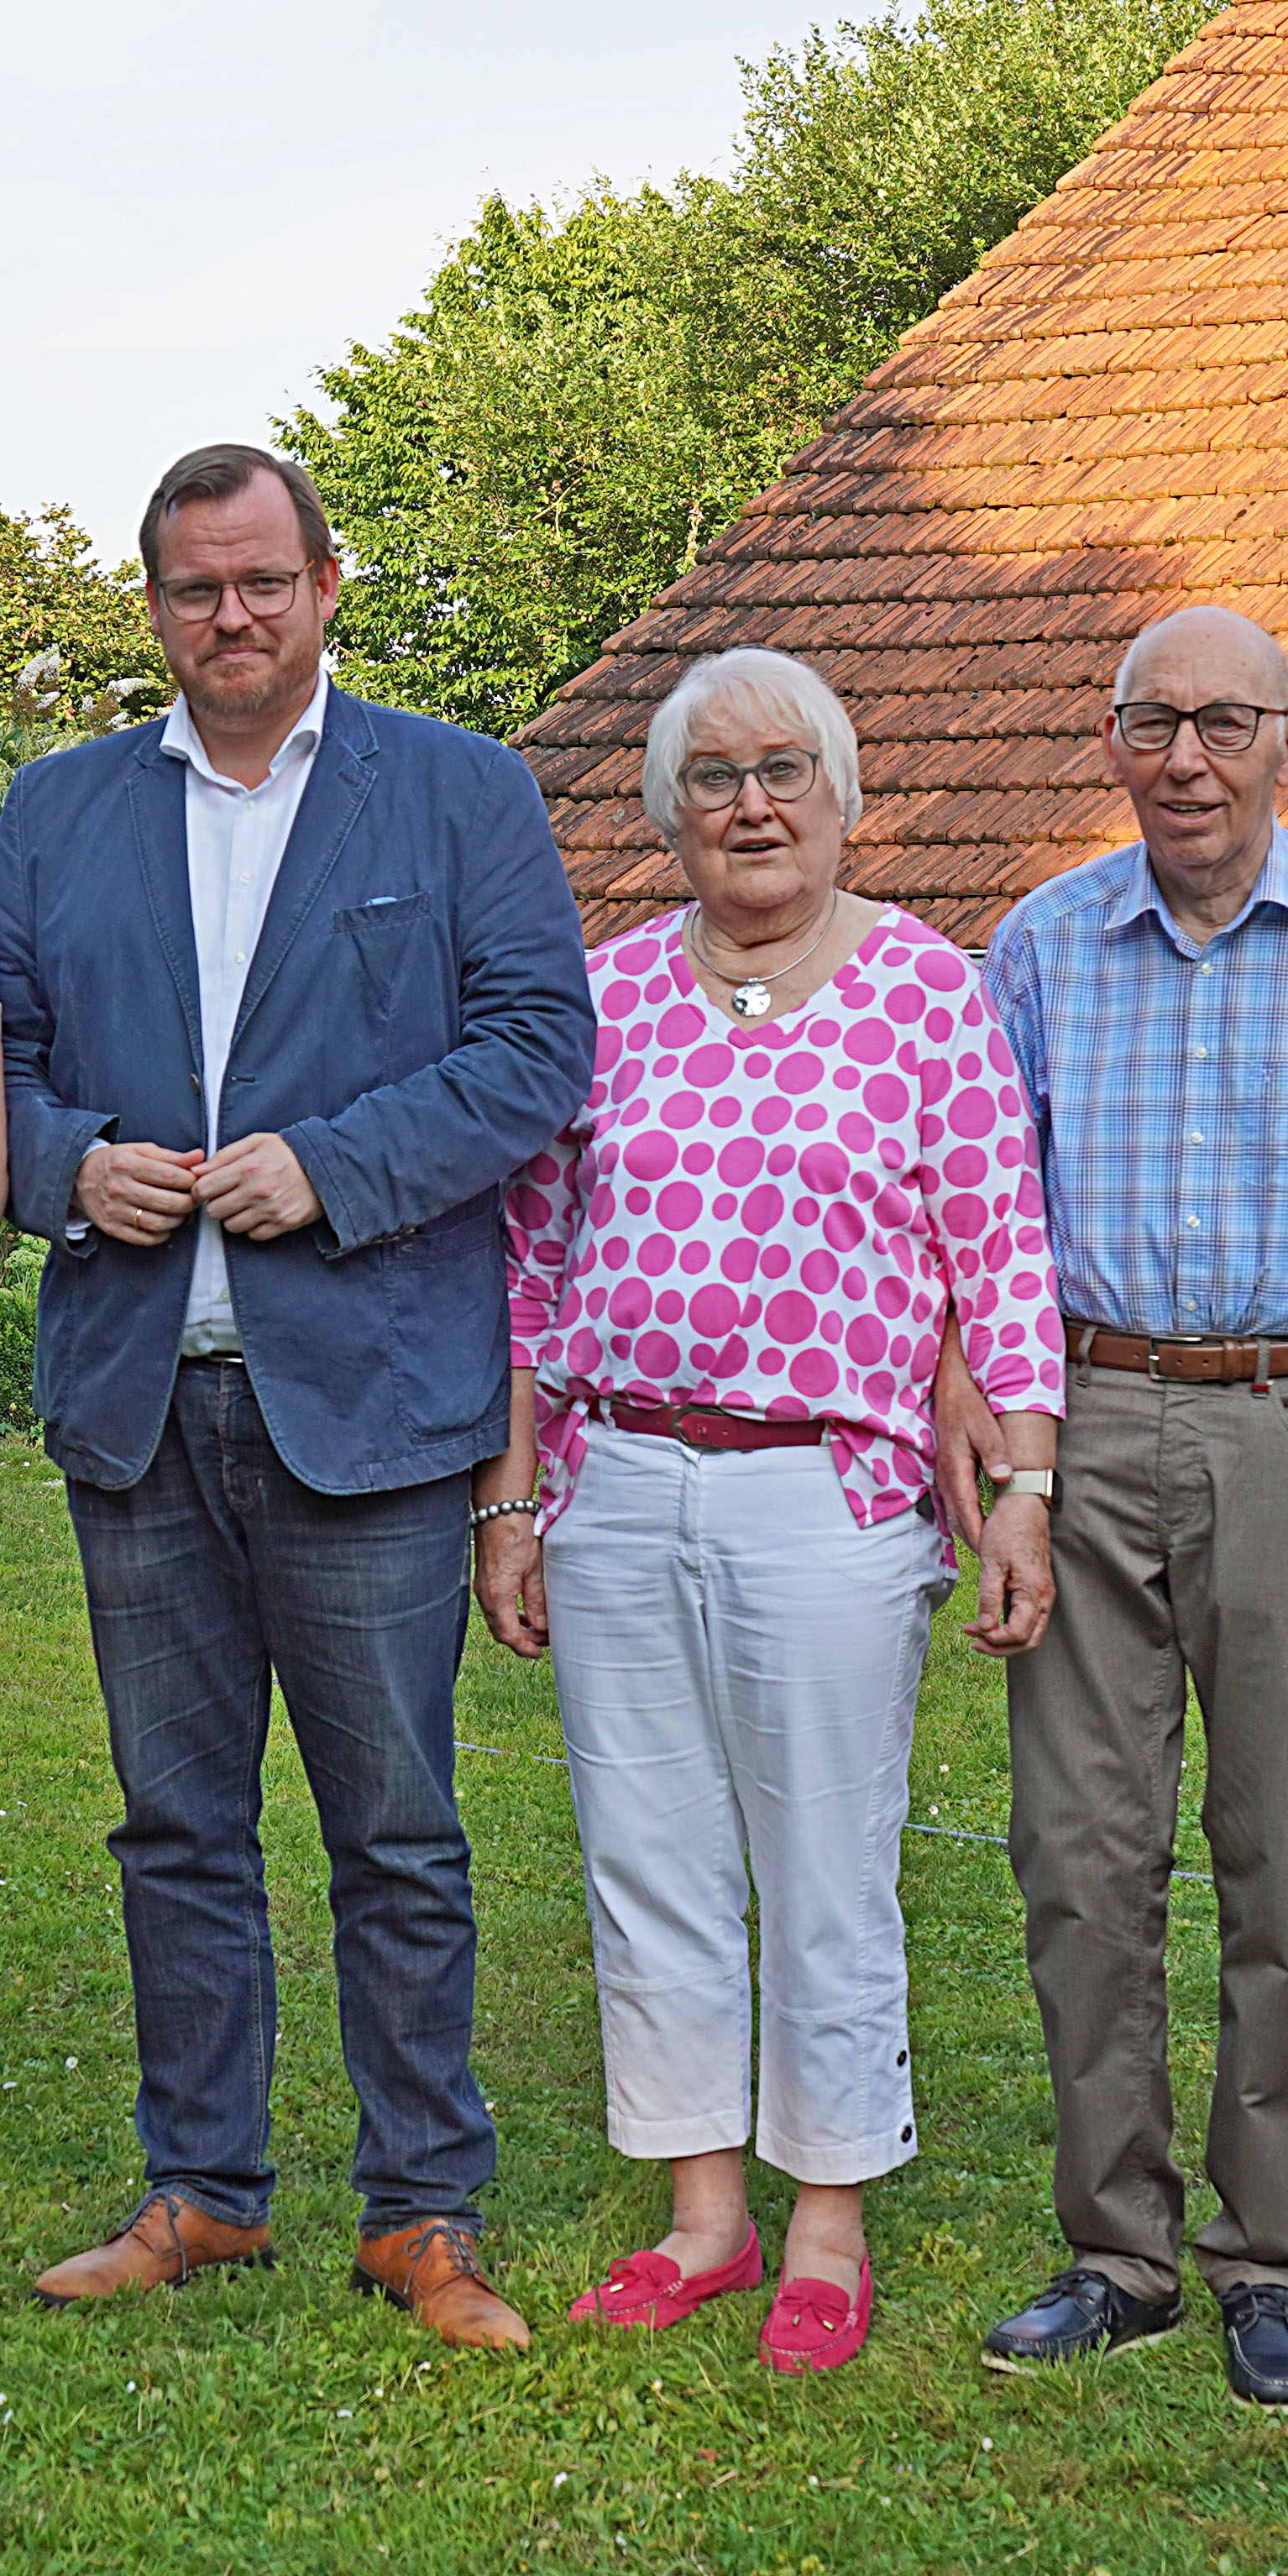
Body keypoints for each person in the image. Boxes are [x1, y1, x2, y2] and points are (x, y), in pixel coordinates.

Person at [0, 442, 590, 2349]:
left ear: (327, 582)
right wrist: (67, 1160)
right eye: (190, 589)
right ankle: (203, 2189)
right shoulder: (62, 810)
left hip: (370, 1392)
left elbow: (534, 1051)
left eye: (259, 581)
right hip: (138, 1390)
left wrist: (334, 1162)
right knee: (173, 1821)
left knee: (394, 1826)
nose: (227, 617)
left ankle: (422, 2207)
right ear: (150, 606)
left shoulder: (456, 788)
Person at [474, 647, 1060, 2375]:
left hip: (830, 1484)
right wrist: (511, 1495)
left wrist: (1019, 1484)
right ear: (665, 812)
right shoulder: (598, 994)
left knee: (823, 1860)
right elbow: (529, 1261)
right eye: (713, 774)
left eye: (781, 768)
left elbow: (999, 1255)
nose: (747, 801)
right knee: (643, 1854)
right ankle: (702, 2215)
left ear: (843, 797)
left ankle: (826, 2218)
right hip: (614, 1476)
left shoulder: (922, 993)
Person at [961, 605, 1288, 2406]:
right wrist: (1005, 1456)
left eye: (1219, 722)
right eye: (1146, 722)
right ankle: (1114, 2249)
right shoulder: (1037, 943)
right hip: (1087, 1404)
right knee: (1075, 1856)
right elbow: (980, 1228)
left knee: (1282, 1855)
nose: (1181, 756)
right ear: (1109, 744)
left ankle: (1269, 2256)